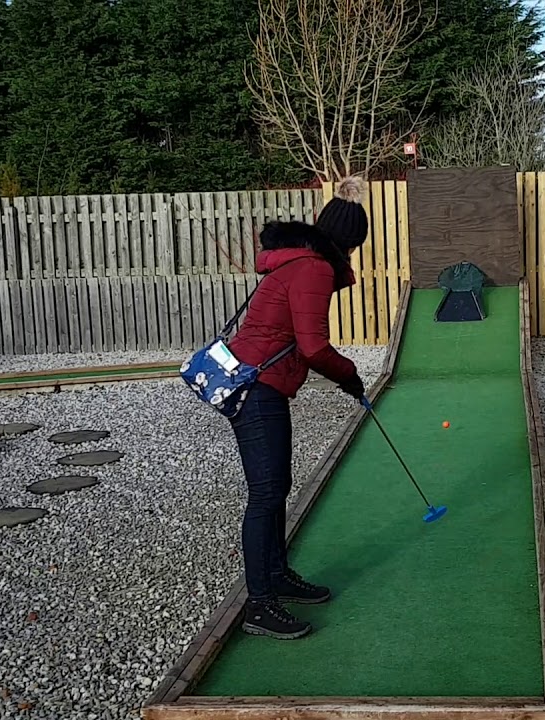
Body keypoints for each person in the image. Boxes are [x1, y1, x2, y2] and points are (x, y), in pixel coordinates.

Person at [223, 176, 369, 640]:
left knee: (276, 486)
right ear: (347, 242)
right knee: (265, 492)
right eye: (354, 247)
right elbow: (313, 348)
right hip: (256, 386)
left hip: (257, 382)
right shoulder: (313, 269)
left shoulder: (300, 261)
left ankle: (277, 576)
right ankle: (259, 605)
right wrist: (350, 376)